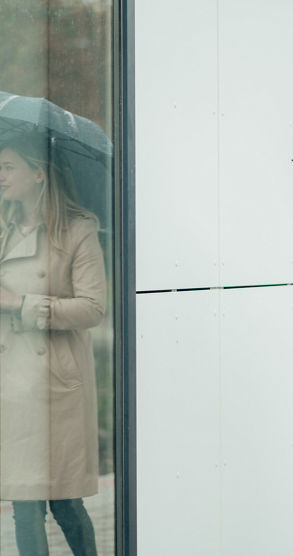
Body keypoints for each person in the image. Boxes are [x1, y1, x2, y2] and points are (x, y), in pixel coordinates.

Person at [0, 134, 106, 556]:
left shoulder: (78, 231)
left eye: (8, 167)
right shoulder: (2, 229)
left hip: (56, 386)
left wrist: (21, 304)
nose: (0, 176)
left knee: (65, 502)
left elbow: (93, 308)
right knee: (24, 507)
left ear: (38, 174)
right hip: (13, 386)